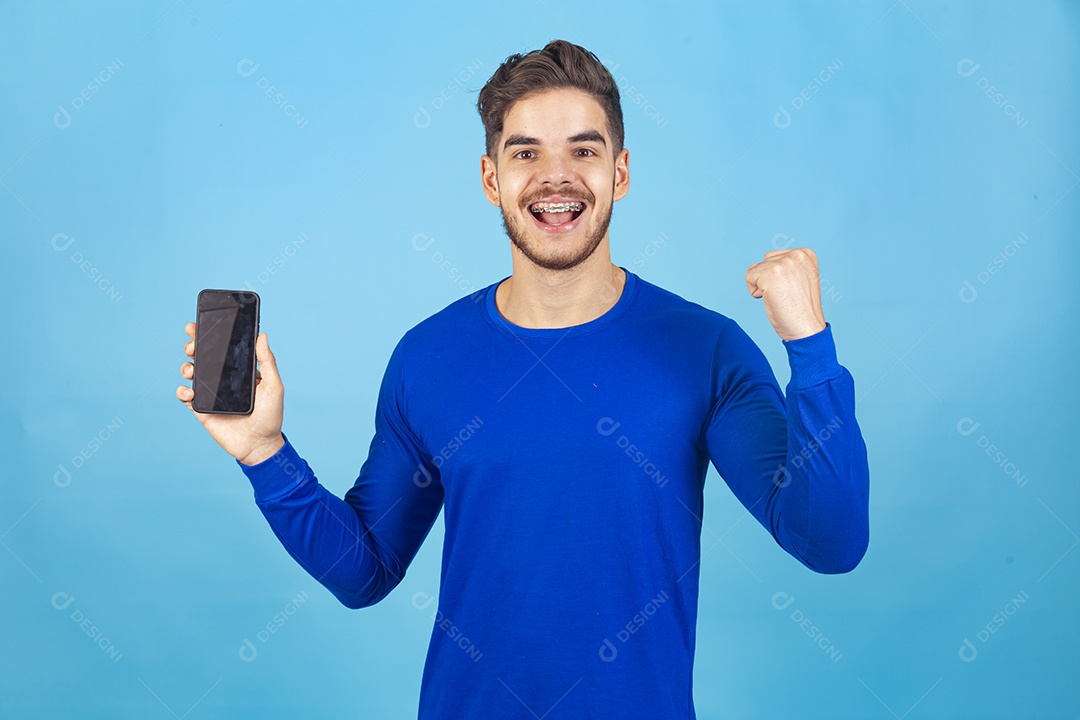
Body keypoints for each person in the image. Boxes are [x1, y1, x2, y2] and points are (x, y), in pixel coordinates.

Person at [177, 39, 869, 719]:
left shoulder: (706, 349)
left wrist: (810, 347)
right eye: (526, 152)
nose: (556, 176)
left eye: (584, 150)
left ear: (620, 173)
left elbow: (830, 542)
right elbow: (366, 572)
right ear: (490, 179)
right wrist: (262, 452)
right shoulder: (428, 357)